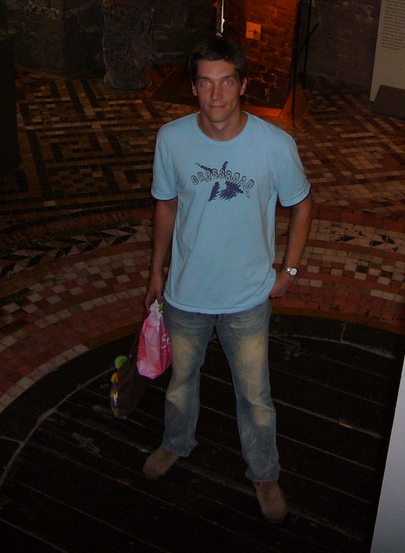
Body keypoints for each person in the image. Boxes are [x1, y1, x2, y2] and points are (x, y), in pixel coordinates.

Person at [142, 36, 313, 524]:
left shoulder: (275, 145)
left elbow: (302, 204)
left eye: (226, 83)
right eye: (206, 83)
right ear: (193, 88)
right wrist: (156, 271)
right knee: (180, 382)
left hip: (246, 298)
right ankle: (177, 443)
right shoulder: (171, 139)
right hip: (185, 294)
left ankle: (264, 472)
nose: (217, 95)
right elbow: (166, 203)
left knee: (255, 395)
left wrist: (290, 269)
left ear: (242, 85)